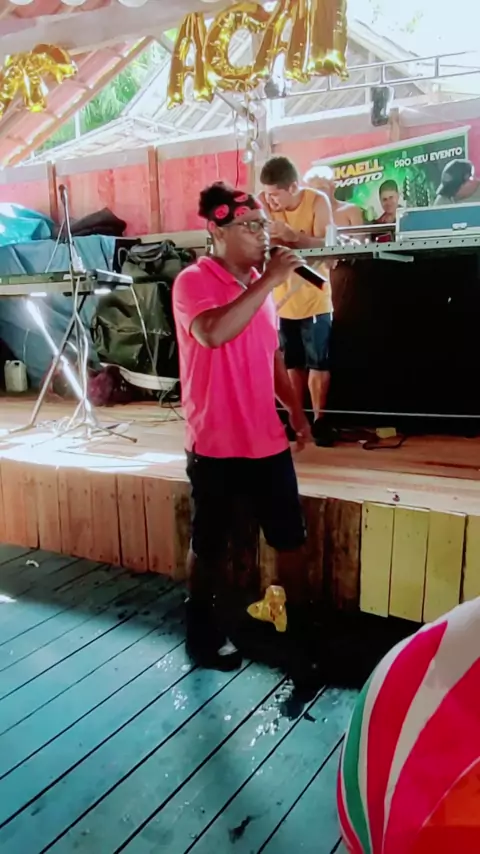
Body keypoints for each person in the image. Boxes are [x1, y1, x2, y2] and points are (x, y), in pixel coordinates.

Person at [173, 181, 311, 671]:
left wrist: (294, 409)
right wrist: (268, 282)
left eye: (262, 225)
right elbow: (212, 333)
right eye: (249, 226)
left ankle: (299, 630)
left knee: (290, 538)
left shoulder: (260, 284)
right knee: (210, 545)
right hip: (215, 441)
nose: (261, 233)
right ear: (217, 230)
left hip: (266, 439)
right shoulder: (193, 281)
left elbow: (272, 354)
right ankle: (200, 634)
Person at [259, 155, 335, 446]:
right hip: (280, 300)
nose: (270, 200)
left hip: (315, 297)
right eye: (267, 194)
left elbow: (328, 245)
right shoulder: (263, 203)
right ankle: (295, 417)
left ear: (293, 187)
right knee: (291, 362)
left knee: (319, 362)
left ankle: (320, 420)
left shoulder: (316, 201)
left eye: (275, 194)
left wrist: (294, 236)